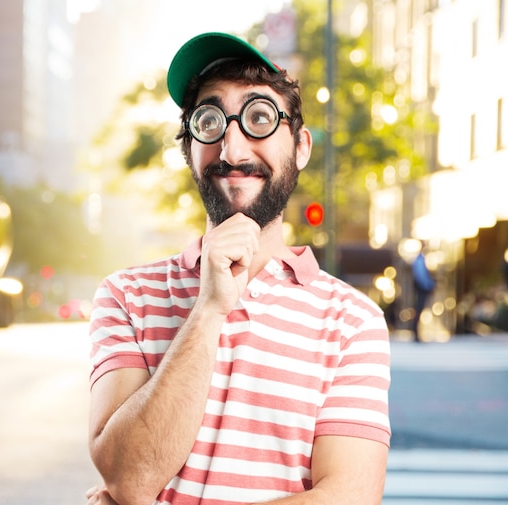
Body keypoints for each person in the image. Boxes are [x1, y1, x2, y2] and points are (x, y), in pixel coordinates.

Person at [86, 32, 391, 505]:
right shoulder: (126, 297)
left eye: (260, 119)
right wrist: (208, 309)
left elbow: (350, 496)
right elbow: (130, 477)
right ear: (190, 148)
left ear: (301, 146)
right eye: (209, 122)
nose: (232, 150)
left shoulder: (353, 321)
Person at [411, 246, 435, 342]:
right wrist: (429, 285)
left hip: (422, 287)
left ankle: (416, 332)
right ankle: (415, 332)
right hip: (422, 288)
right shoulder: (420, 260)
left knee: (419, 310)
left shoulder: (420, 260)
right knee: (418, 310)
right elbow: (421, 276)